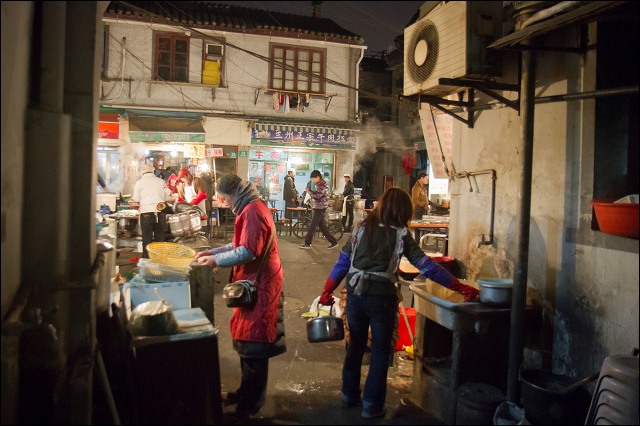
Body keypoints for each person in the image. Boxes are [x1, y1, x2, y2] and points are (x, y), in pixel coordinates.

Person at [317, 187, 478, 419]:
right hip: (381, 298)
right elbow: (427, 266)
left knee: (355, 346)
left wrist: (327, 290)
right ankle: (371, 406)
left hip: (355, 294)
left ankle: (348, 396)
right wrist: (461, 287)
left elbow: (343, 263)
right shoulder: (400, 234)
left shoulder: (361, 228)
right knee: (381, 352)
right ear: (403, 211)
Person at [194, 174, 285, 420]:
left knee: (255, 343)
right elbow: (237, 244)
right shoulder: (249, 206)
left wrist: (215, 261)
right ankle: (245, 393)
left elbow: (247, 250)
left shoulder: (253, 211)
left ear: (233, 194)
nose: (222, 202)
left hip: (261, 282)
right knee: (247, 340)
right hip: (253, 281)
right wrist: (211, 251)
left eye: (223, 198)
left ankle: (251, 405)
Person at [131, 164, 173, 258]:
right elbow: (168, 197)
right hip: (160, 212)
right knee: (160, 240)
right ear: (153, 171)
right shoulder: (161, 181)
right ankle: (160, 263)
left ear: (142, 172)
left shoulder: (139, 182)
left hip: (146, 213)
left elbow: (136, 198)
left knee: (147, 240)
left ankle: (146, 264)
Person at [299, 170, 339, 250]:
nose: (313, 180)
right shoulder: (319, 185)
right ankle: (333, 242)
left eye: (314, 178)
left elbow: (317, 196)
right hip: (318, 208)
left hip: (319, 209)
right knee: (322, 227)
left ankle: (307, 243)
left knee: (312, 226)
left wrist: (309, 191)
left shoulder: (322, 186)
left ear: (318, 177)